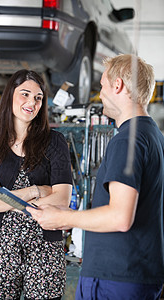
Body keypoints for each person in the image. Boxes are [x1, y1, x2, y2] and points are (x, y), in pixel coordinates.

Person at [28, 54, 164, 300]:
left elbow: (120, 217)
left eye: (101, 86)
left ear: (118, 85)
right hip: (137, 273)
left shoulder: (127, 140)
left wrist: (63, 217)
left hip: (114, 277)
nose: (100, 95)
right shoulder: (154, 136)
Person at [0, 69, 72, 299]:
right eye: (25, 94)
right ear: (10, 96)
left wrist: (3, 195)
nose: (32, 103)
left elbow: (62, 199)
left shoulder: (55, 143)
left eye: (38, 98)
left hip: (45, 250)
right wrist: (36, 191)